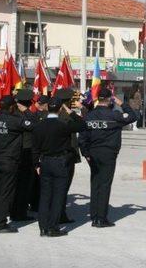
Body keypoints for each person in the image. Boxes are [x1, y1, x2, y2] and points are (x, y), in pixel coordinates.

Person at [79, 88, 137, 228]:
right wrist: (121, 103)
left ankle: (94, 215)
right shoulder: (114, 115)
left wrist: (86, 153)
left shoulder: (89, 116)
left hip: (92, 154)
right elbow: (132, 116)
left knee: (95, 183)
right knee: (104, 185)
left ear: (98, 98)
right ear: (109, 100)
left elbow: (82, 137)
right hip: (108, 154)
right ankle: (100, 218)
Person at [32, 96, 86, 237]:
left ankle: (43, 228)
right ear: (60, 108)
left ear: (48, 108)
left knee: (45, 196)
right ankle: (53, 227)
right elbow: (82, 125)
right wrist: (70, 111)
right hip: (60, 162)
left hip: (45, 162)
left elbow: (35, 148)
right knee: (58, 196)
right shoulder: (64, 125)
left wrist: (36, 164)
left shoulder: (39, 126)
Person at [0, 93, 34, 233]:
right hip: (9, 161)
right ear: (12, 107)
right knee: (5, 193)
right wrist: (26, 111)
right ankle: (0, 224)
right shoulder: (14, 121)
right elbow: (34, 125)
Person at [12, 89, 39, 222]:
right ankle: (19, 213)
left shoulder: (13, 113)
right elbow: (35, 125)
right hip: (25, 153)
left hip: (15, 153)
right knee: (23, 185)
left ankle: (15, 210)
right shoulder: (23, 115)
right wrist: (26, 111)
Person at [56, 88, 82, 224]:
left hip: (50, 156)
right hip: (66, 156)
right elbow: (82, 125)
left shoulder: (51, 114)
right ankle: (60, 214)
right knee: (63, 187)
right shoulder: (67, 117)